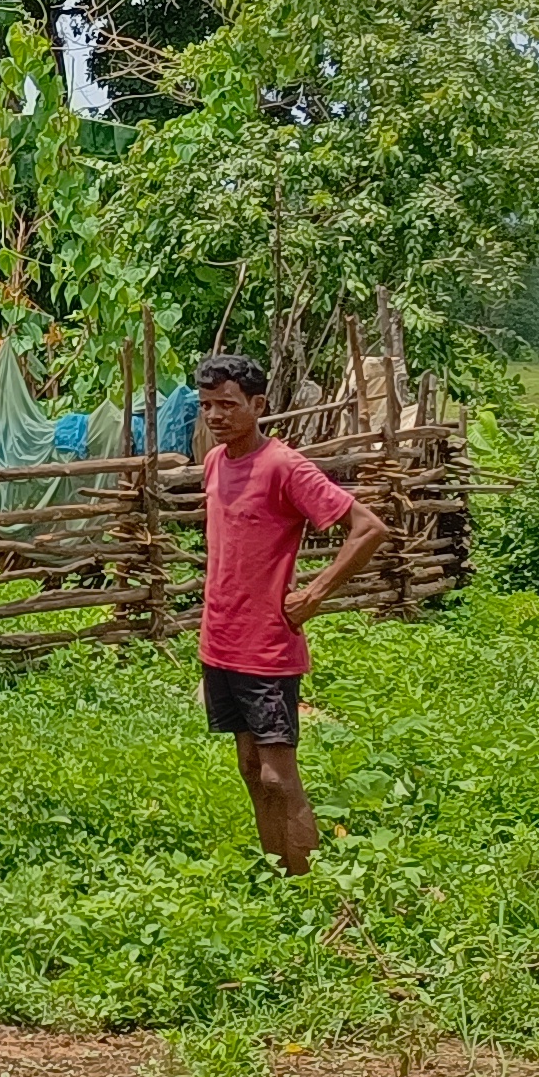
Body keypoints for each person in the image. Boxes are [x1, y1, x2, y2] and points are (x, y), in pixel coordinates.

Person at [192, 350, 390, 876]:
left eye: (227, 404)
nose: (215, 415)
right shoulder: (215, 462)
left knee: (279, 776)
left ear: (258, 405)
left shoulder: (283, 465)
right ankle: (279, 877)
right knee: (249, 767)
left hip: (267, 647)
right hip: (220, 643)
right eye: (207, 405)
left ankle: (311, 888)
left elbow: (368, 528)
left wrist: (316, 593)